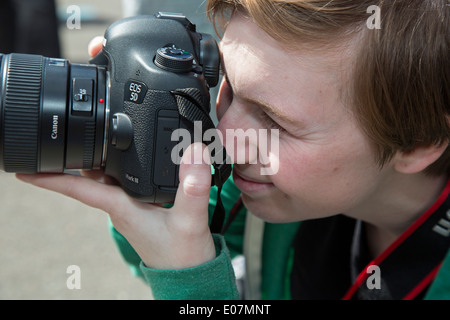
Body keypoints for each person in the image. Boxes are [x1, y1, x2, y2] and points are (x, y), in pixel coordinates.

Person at [16, 0, 449, 300]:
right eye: (226, 86)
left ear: (417, 141)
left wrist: (193, 287)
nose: (224, 131)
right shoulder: (268, 186)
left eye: (274, 121)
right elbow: (156, 246)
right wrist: (134, 177)